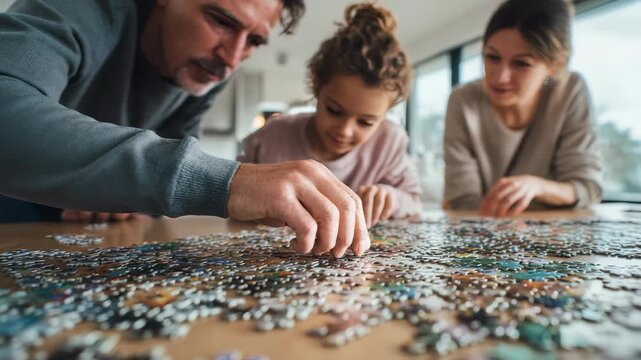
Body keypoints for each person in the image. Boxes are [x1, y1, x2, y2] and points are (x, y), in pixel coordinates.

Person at [0, 0, 370, 257]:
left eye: (254, 41)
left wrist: (119, 199)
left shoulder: (207, 70)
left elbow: (155, 178)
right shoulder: (85, 10)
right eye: (221, 21)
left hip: (73, 243)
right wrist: (227, 182)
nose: (231, 57)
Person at [237, 3, 421, 229]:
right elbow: (232, 200)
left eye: (365, 122)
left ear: (385, 115)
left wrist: (391, 198)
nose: (345, 130)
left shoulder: (390, 141)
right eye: (334, 110)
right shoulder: (269, 139)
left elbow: (414, 202)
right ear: (317, 89)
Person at [443, 0, 602, 217]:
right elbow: (464, 200)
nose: (500, 77)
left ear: (554, 67)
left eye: (521, 64)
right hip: (483, 238)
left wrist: (536, 186)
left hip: (553, 237)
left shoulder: (569, 90)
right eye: (492, 57)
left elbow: (587, 187)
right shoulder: (463, 99)